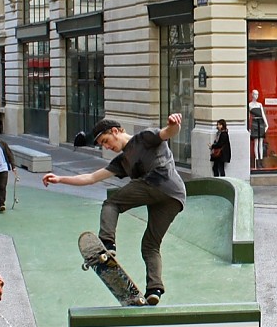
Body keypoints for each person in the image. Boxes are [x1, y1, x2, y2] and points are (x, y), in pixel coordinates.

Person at [42, 114, 186, 305]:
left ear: (116, 131)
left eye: (106, 141)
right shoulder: (122, 161)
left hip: (159, 181)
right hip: (174, 196)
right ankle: (155, 290)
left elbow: (168, 133)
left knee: (112, 204)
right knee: (150, 245)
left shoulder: (144, 137)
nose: (107, 147)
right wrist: (60, 179)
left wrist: (174, 124)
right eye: (102, 145)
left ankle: (107, 244)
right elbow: (91, 178)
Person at [248, 90, 268, 168]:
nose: (256, 96)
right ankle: (257, 161)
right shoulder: (249, 105)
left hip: (261, 123)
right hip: (255, 123)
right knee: (256, 143)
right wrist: (249, 128)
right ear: (252, 95)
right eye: (255, 94)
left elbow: (263, 114)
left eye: (257, 94)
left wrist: (267, 124)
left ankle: (261, 161)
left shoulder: (260, 104)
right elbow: (249, 117)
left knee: (261, 143)